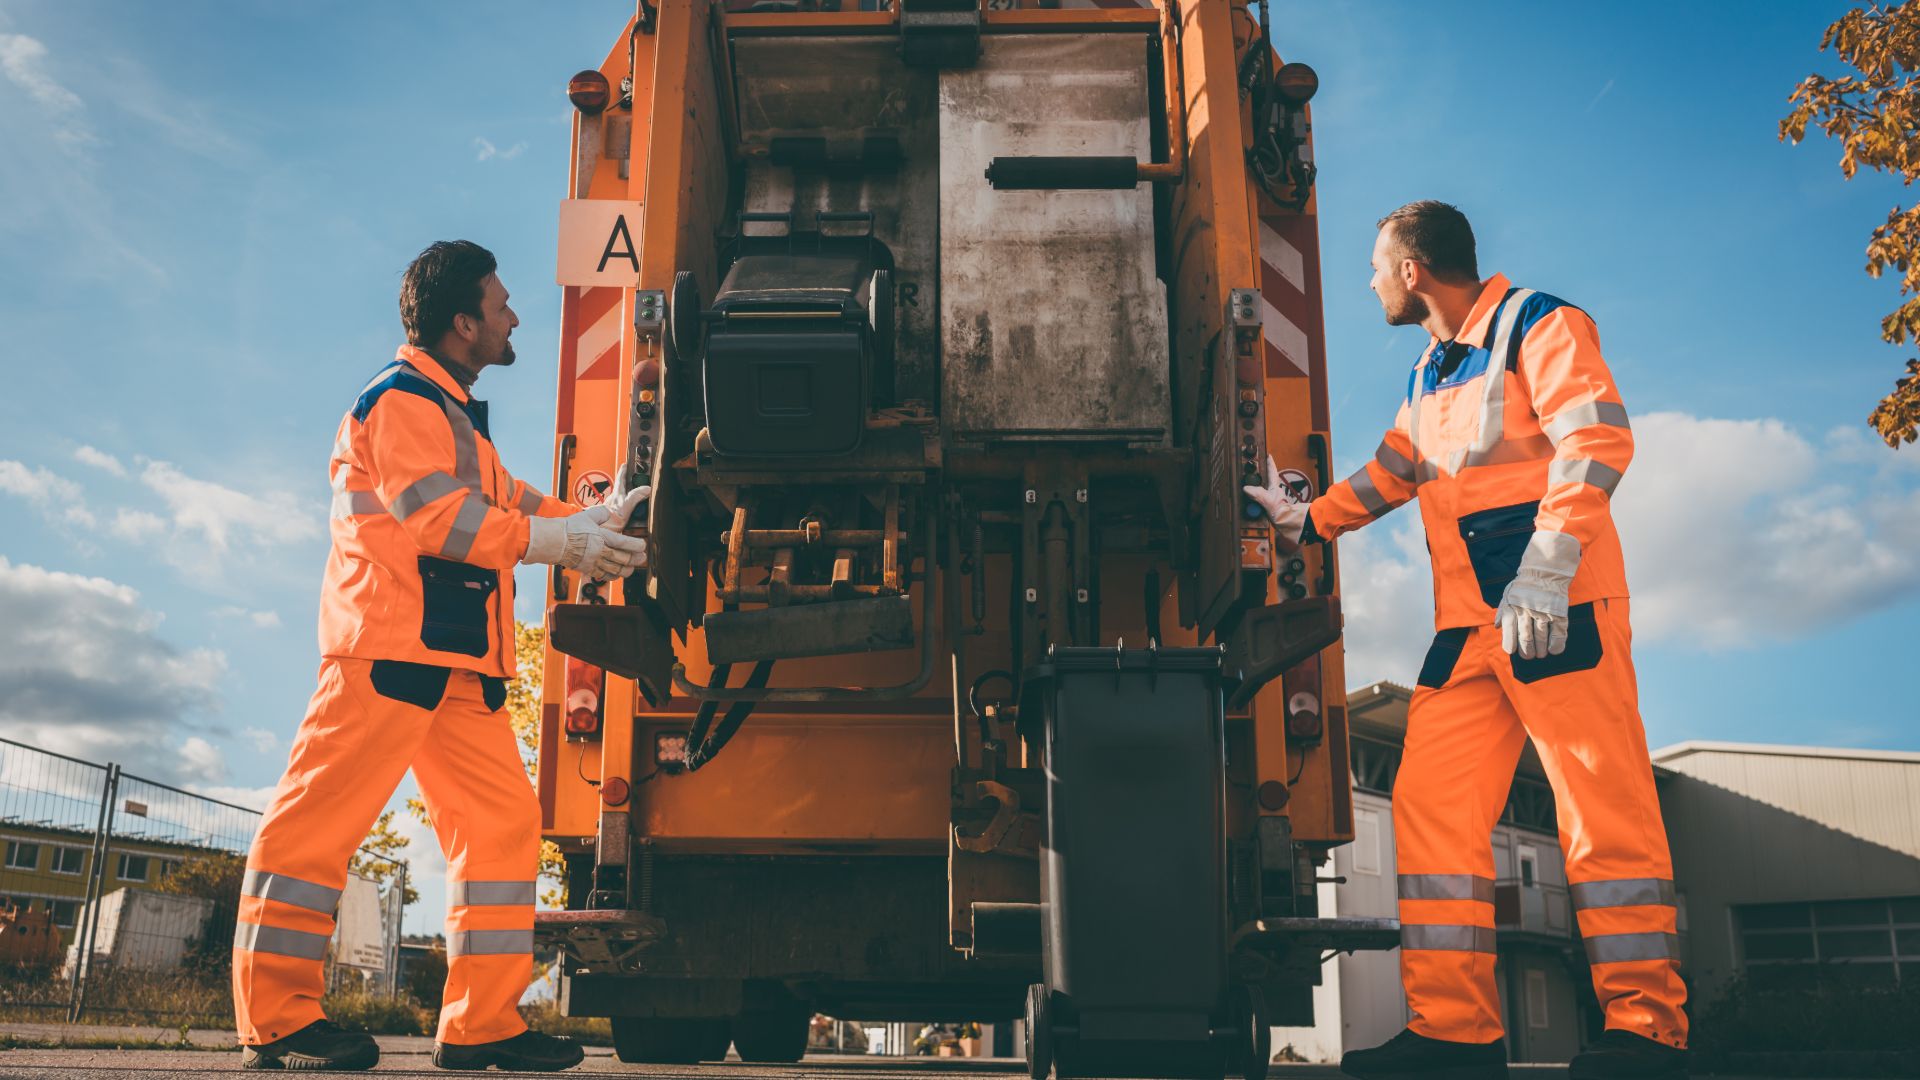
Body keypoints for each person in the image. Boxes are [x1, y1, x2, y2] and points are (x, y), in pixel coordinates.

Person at [1244, 202, 1687, 1080]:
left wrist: (1549, 568)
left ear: (1412, 271)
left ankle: (1646, 1030)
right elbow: (1395, 472)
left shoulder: (1540, 323)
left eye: (1376, 267)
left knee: (1601, 809)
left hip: (1558, 611)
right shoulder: (1429, 376)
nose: (1370, 282)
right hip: (1471, 632)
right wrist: (1309, 520)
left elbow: (1596, 438)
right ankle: (1453, 1034)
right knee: (1430, 808)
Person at [232, 241, 648, 1071]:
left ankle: (482, 1025)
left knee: (502, 829)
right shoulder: (399, 403)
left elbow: (508, 501)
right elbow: (439, 521)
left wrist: (591, 521)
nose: (513, 316)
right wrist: (555, 542)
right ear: (464, 324)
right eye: (500, 306)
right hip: (384, 654)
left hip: (453, 666)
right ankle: (277, 1022)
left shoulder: (450, 414)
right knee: (313, 832)